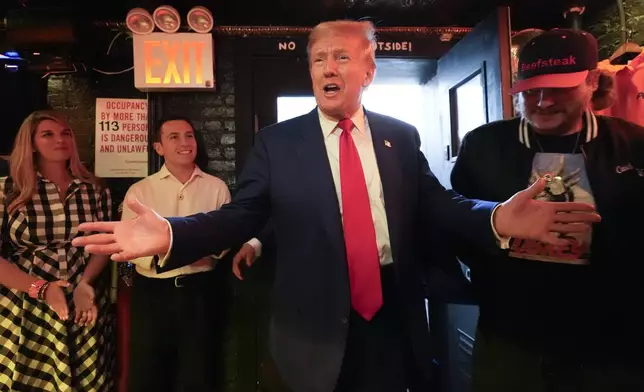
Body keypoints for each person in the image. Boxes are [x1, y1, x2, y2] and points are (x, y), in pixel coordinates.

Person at [73, 21, 600, 392]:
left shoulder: (400, 136)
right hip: (310, 325)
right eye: (318, 58)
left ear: (367, 72)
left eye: (342, 56)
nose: (328, 66)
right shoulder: (278, 143)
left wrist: (496, 217)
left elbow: (440, 204)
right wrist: (173, 233)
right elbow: (244, 214)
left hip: (392, 315)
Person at [450, 29, 644, 391]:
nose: (542, 102)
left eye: (559, 89)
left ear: (591, 81)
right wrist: (500, 233)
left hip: (614, 345)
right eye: (531, 91)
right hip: (511, 342)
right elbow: (457, 226)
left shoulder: (634, 145)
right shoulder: (483, 145)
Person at [0, 110, 114, 391]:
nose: (60, 140)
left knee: (86, 380)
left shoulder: (94, 189)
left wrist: (86, 281)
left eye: (66, 133)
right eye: (48, 134)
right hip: (26, 302)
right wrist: (40, 288)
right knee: (30, 380)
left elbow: (104, 244)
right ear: (32, 143)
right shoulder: (8, 190)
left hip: (82, 298)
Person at [122, 117, 232, 391]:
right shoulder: (140, 191)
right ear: (158, 147)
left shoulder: (216, 188)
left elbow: (226, 238)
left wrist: (202, 251)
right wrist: (180, 253)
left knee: (199, 372)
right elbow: (130, 245)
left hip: (200, 292)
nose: (184, 143)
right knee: (149, 371)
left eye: (189, 136)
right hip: (152, 293)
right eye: (174, 137)